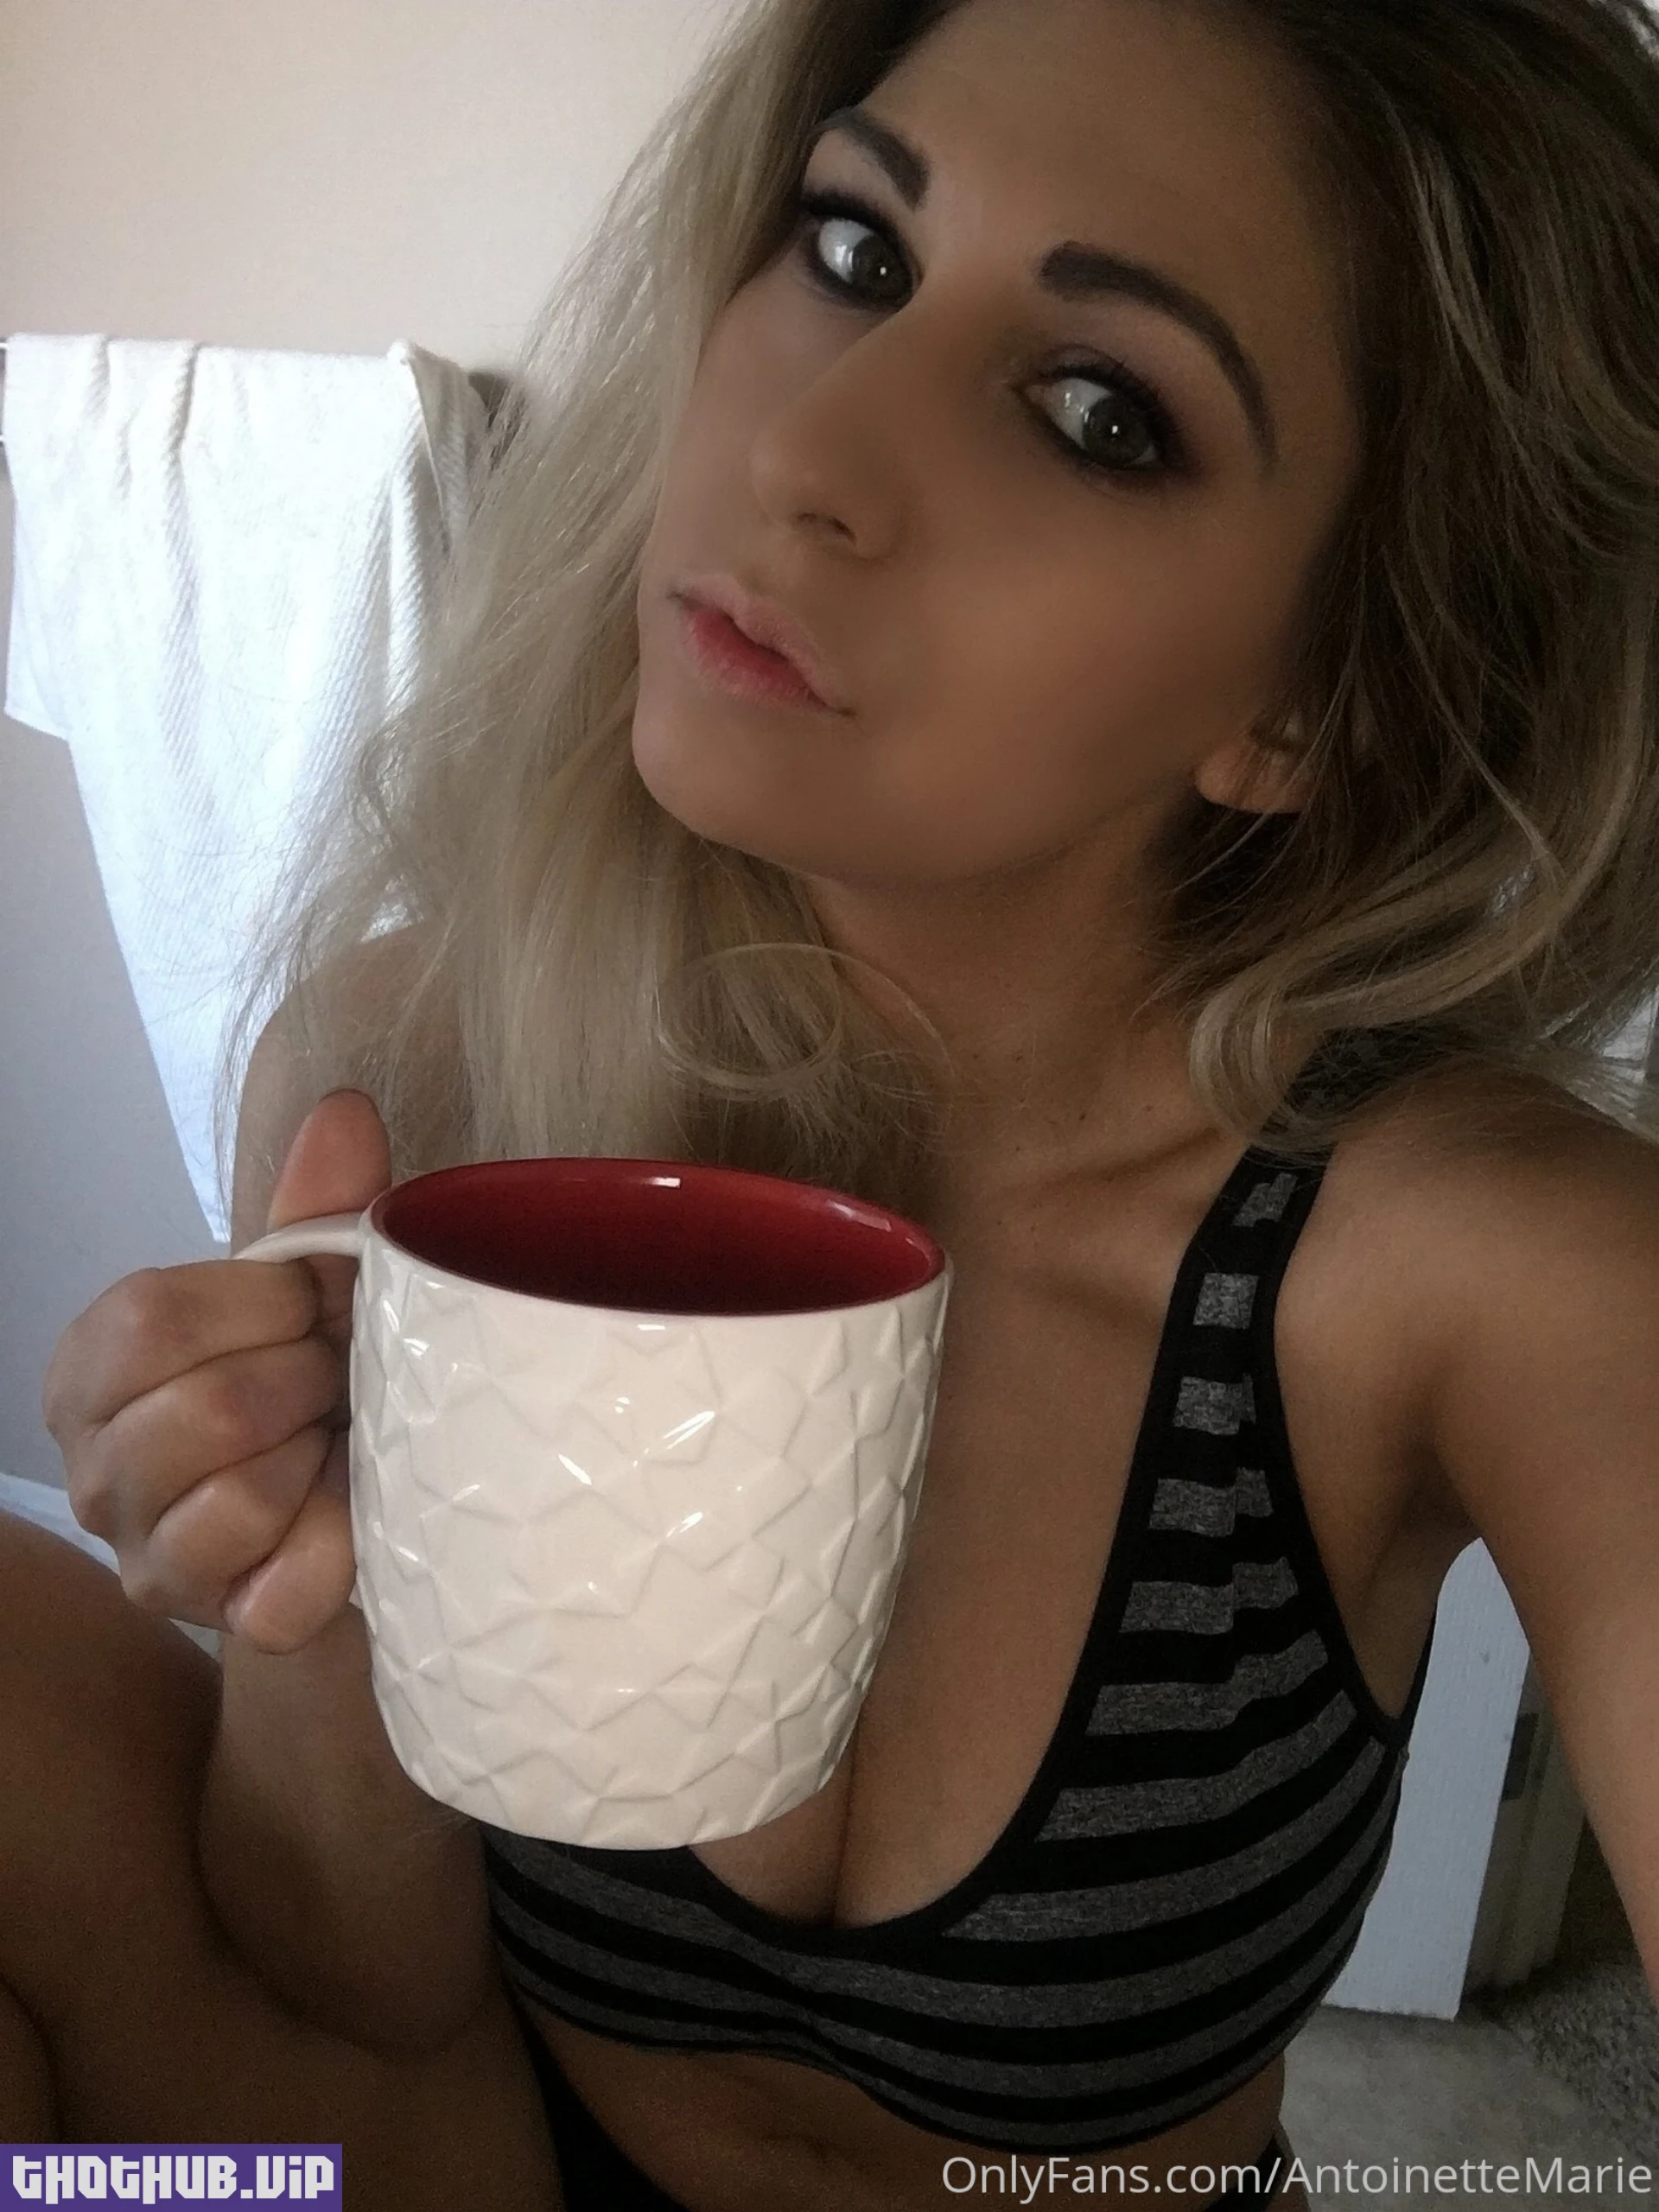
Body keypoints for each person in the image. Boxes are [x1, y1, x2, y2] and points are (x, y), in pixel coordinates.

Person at [17, 0, 1659, 2202]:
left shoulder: (1467, 1268)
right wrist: (297, 1586)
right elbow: (366, 1983)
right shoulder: (422, 1068)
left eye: (1098, 412)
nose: (804, 448)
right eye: (857, 251)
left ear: (1314, 699)